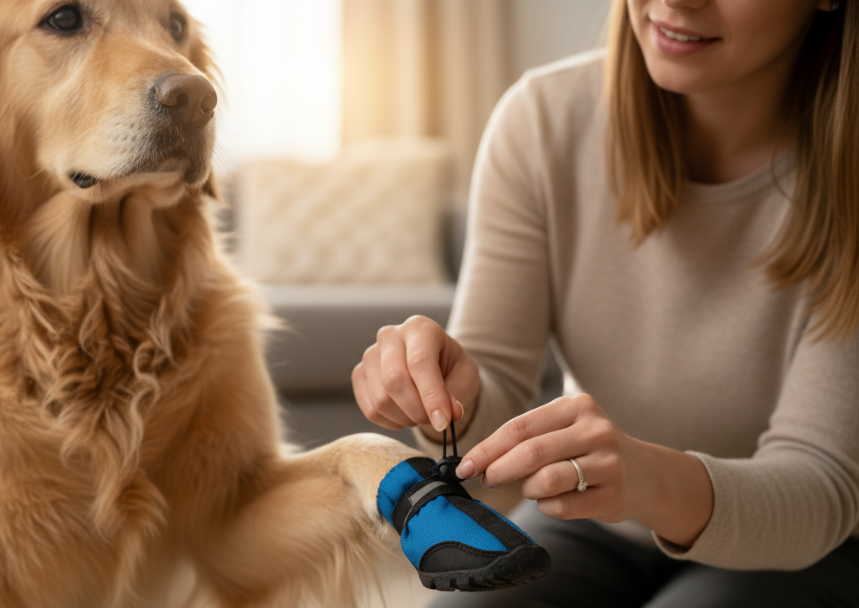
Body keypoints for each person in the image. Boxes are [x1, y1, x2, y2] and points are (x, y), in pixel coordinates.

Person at [352, 0, 859, 606]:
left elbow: (820, 488)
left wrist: (649, 480)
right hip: (602, 526)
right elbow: (492, 404)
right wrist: (448, 394)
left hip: (807, 547)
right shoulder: (542, 121)